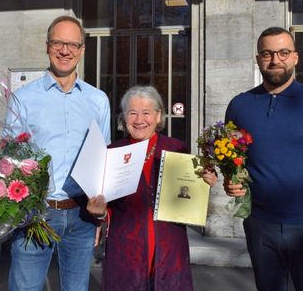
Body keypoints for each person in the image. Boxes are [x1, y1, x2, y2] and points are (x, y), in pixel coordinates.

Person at [223, 27, 303, 291]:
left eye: (283, 52)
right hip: (260, 224)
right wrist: (230, 182)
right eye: (267, 53)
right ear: (258, 59)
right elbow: (233, 159)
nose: (275, 60)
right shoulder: (240, 105)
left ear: (295, 57)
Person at [5, 15, 111, 291]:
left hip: (81, 216)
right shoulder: (23, 98)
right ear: (47, 46)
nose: (65, 51)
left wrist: (100, 216)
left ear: (82, 50)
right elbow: (9, 159)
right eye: (58, 43)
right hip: (35, 213)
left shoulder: (98, 100)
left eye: (73, 44)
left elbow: (103, 160)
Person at [87, 85, 217, 291]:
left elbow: (191, 195)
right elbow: (105, 209)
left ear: (158, 117)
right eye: (132, 113)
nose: (139, 120)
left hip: (169, 246)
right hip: (126, 248)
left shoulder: (177, 149)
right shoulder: (113, 153)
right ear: (124, 118)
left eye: (146, 113)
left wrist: (206, 182)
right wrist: (100, 214)